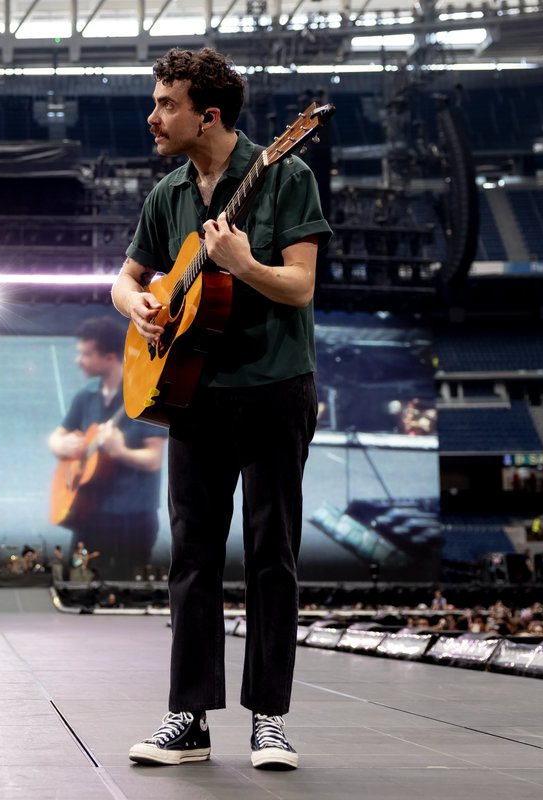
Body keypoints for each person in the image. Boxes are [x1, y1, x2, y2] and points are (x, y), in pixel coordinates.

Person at [112, 48, 331, 770]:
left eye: (166, 104)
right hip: (193, 395)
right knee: (193, 560)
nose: (153, 116)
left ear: (208, 114)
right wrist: (139, 305)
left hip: (274, 388)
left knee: (272, 557)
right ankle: (189, 719)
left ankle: (269, 717)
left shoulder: (285, 176)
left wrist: (243, 265)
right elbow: (126, 278)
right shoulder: (168, 194)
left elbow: (299, 287)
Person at [48, 316, 167, 580]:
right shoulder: (87, 395)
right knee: (77, 584)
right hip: (89, 513)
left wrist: (120, 452)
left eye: (86, 354)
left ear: (110, 358)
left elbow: (154, 460)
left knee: (121, 589)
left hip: (132, 518)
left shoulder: (144, 395)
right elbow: (57, 435)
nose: (78, 360)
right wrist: (61, 444)